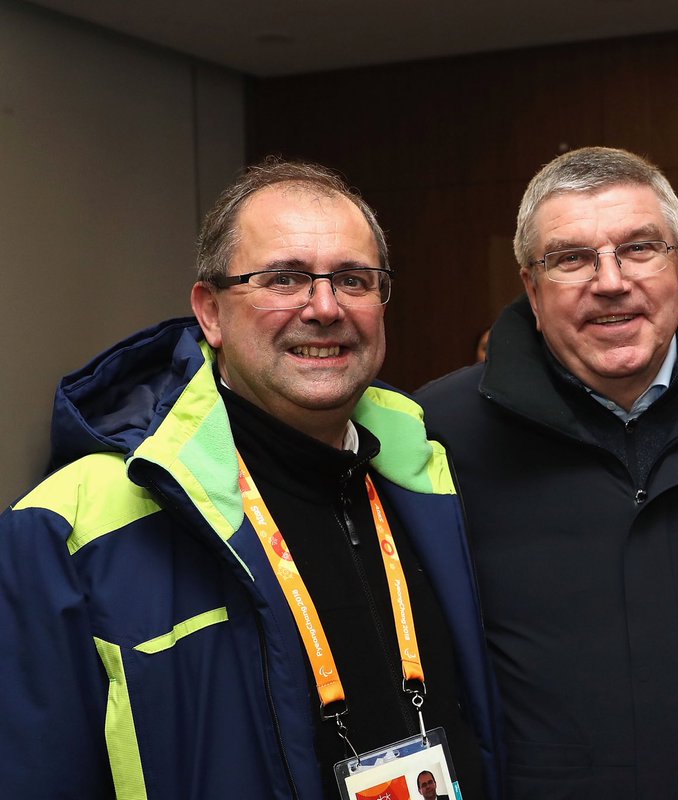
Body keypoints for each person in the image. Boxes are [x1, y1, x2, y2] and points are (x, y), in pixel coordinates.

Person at [0, 159, 503, 799]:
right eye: (284, 279)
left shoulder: (428, 481)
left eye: (353, 279)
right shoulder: (71, 528)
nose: (324, 308)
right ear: (210, 312)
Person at [417, 146, 678, 798]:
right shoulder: (439, 433)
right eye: (571, 258)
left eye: (639, 248)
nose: (609, 281)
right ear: (530, 285)